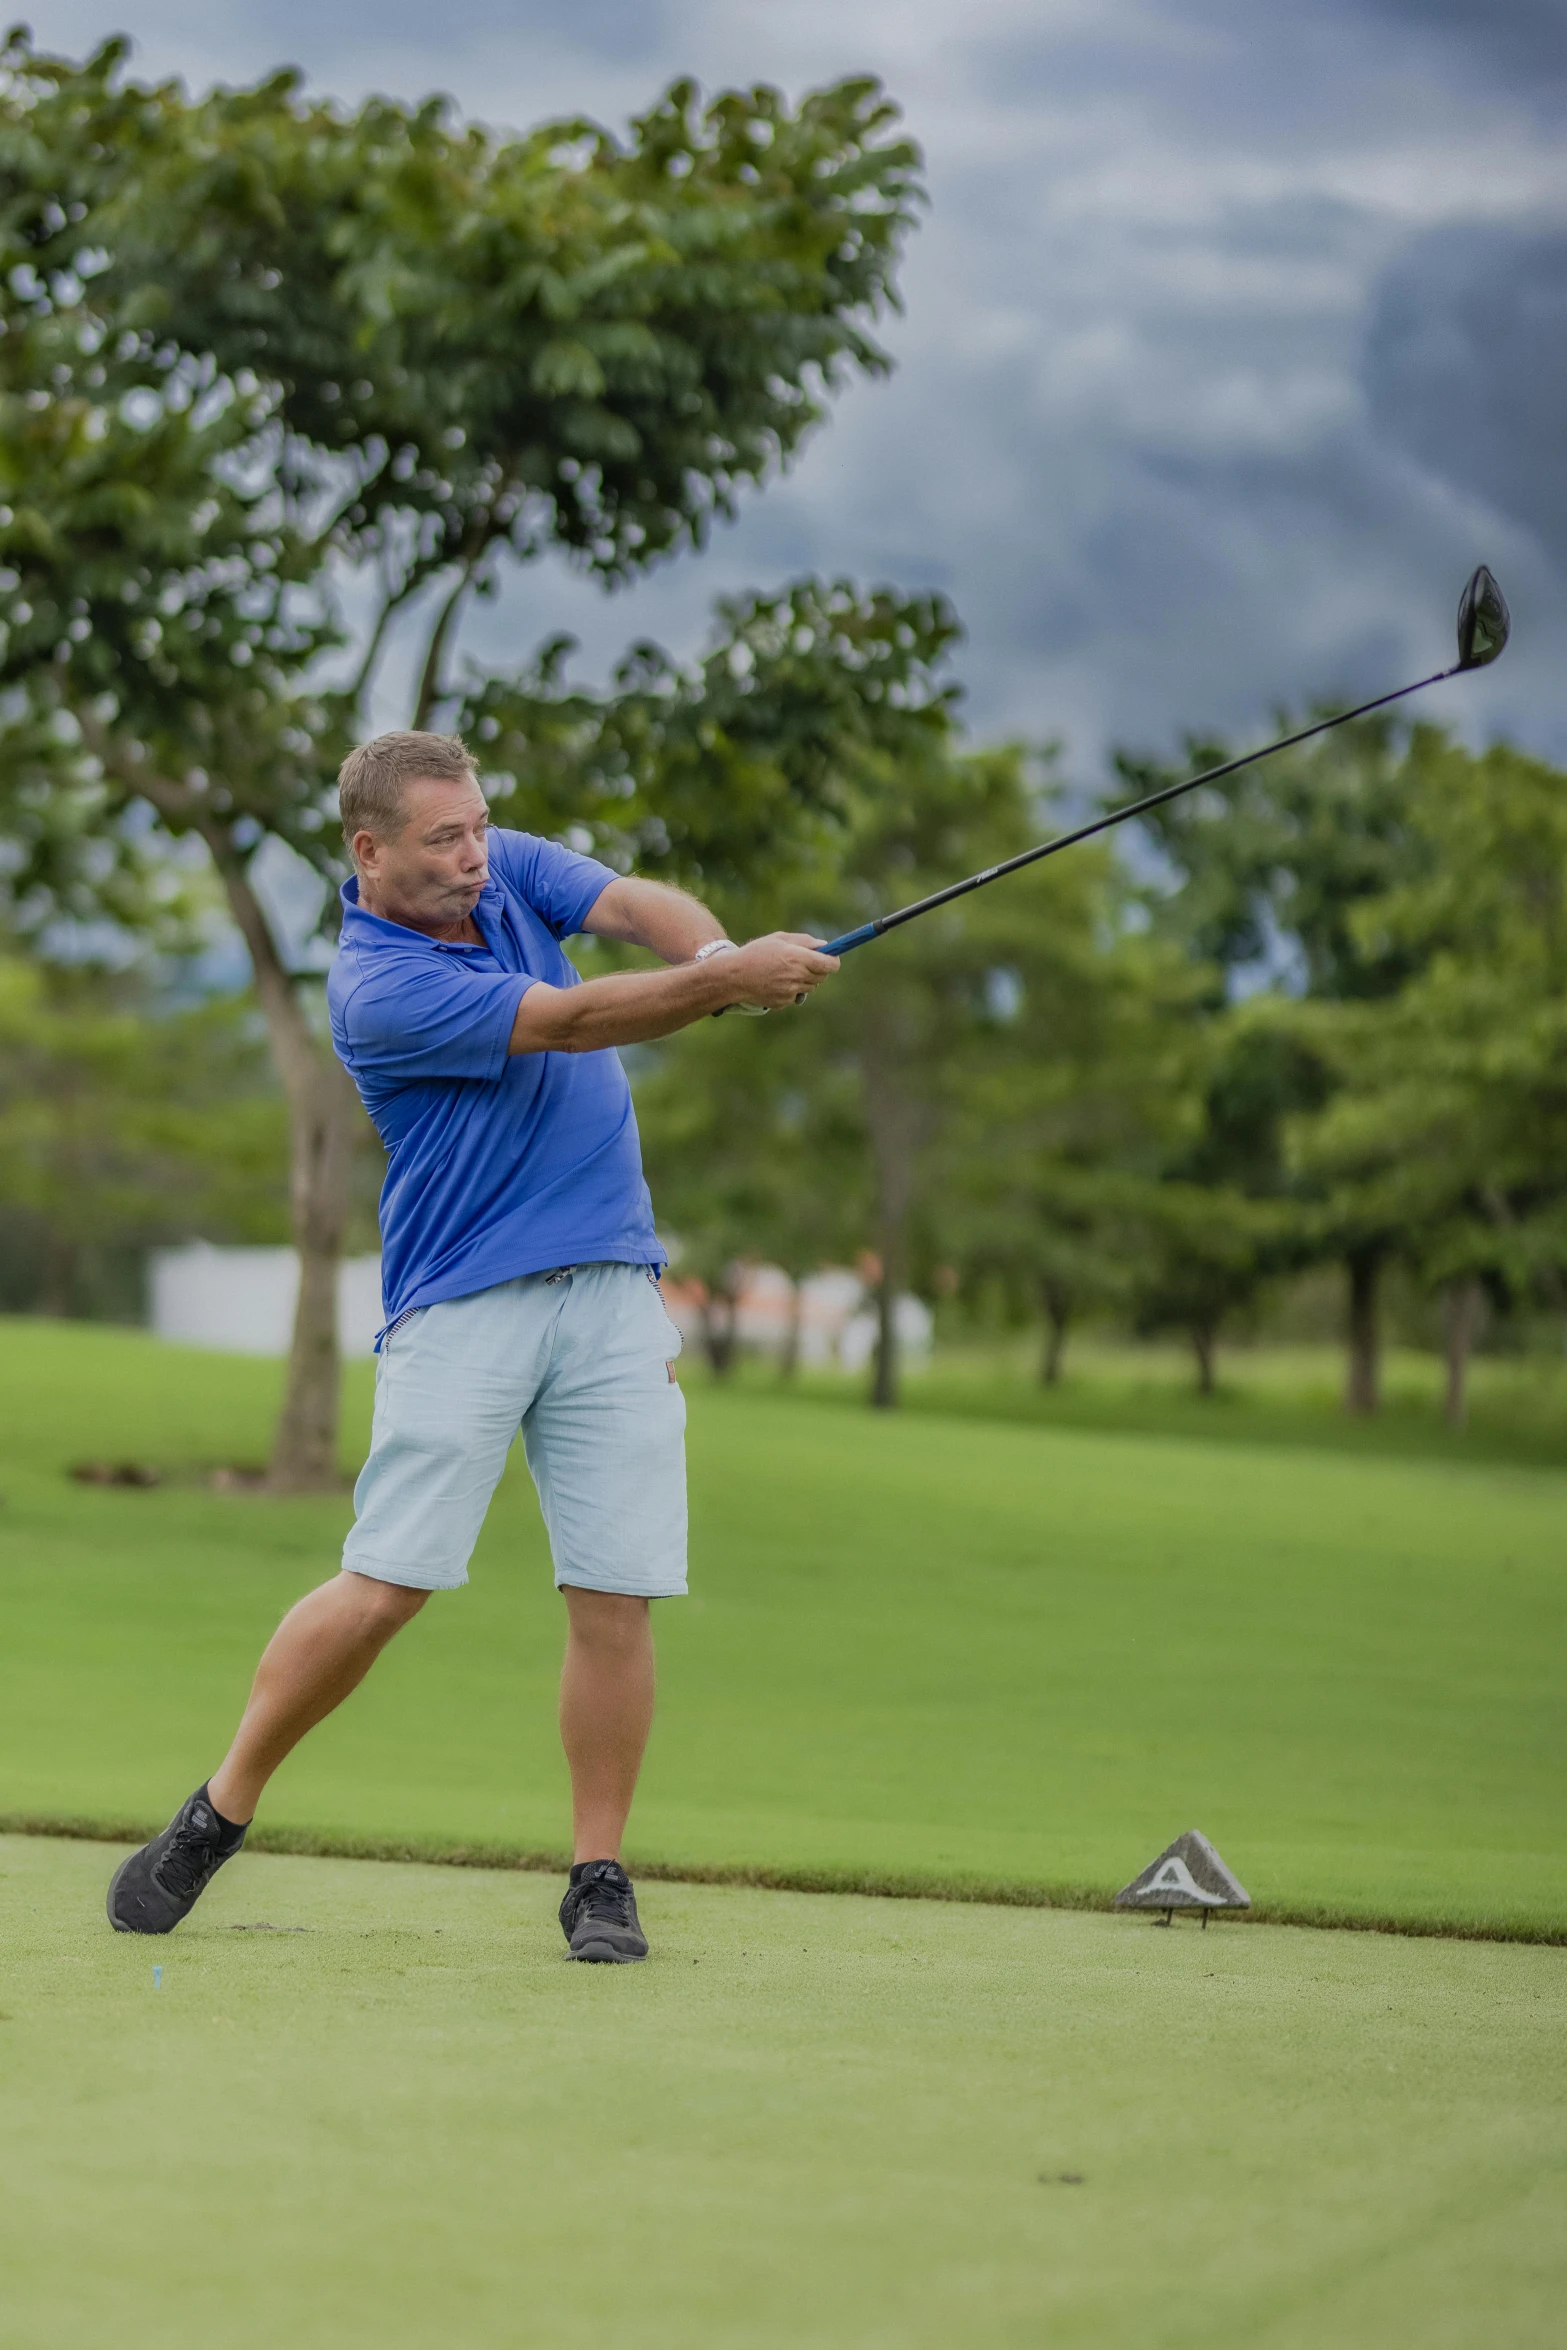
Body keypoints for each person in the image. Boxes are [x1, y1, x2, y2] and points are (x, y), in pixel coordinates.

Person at [107, 730, 838, 1962]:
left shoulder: (497, 868)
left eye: (478, 829)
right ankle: (218, 1809)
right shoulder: (376, 986)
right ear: (369, 849)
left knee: (616, 1590)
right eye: (444, 840)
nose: (472, 855)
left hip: (612, 1285)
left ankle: (598, 1875)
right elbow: (571, 1017)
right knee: (388, 1582)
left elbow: (630, 905)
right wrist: (720, 987)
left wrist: (710, 953)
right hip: (464, 1304)